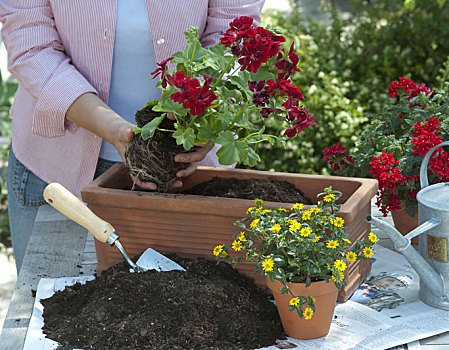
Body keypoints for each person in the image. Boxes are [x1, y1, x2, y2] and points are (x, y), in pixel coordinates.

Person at [0, 0, 264, 273]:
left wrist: (204, 120)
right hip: (59, 172)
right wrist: (113, 128)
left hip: (187, 176)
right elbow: (30, 40)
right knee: (50, 306)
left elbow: (235, 32)